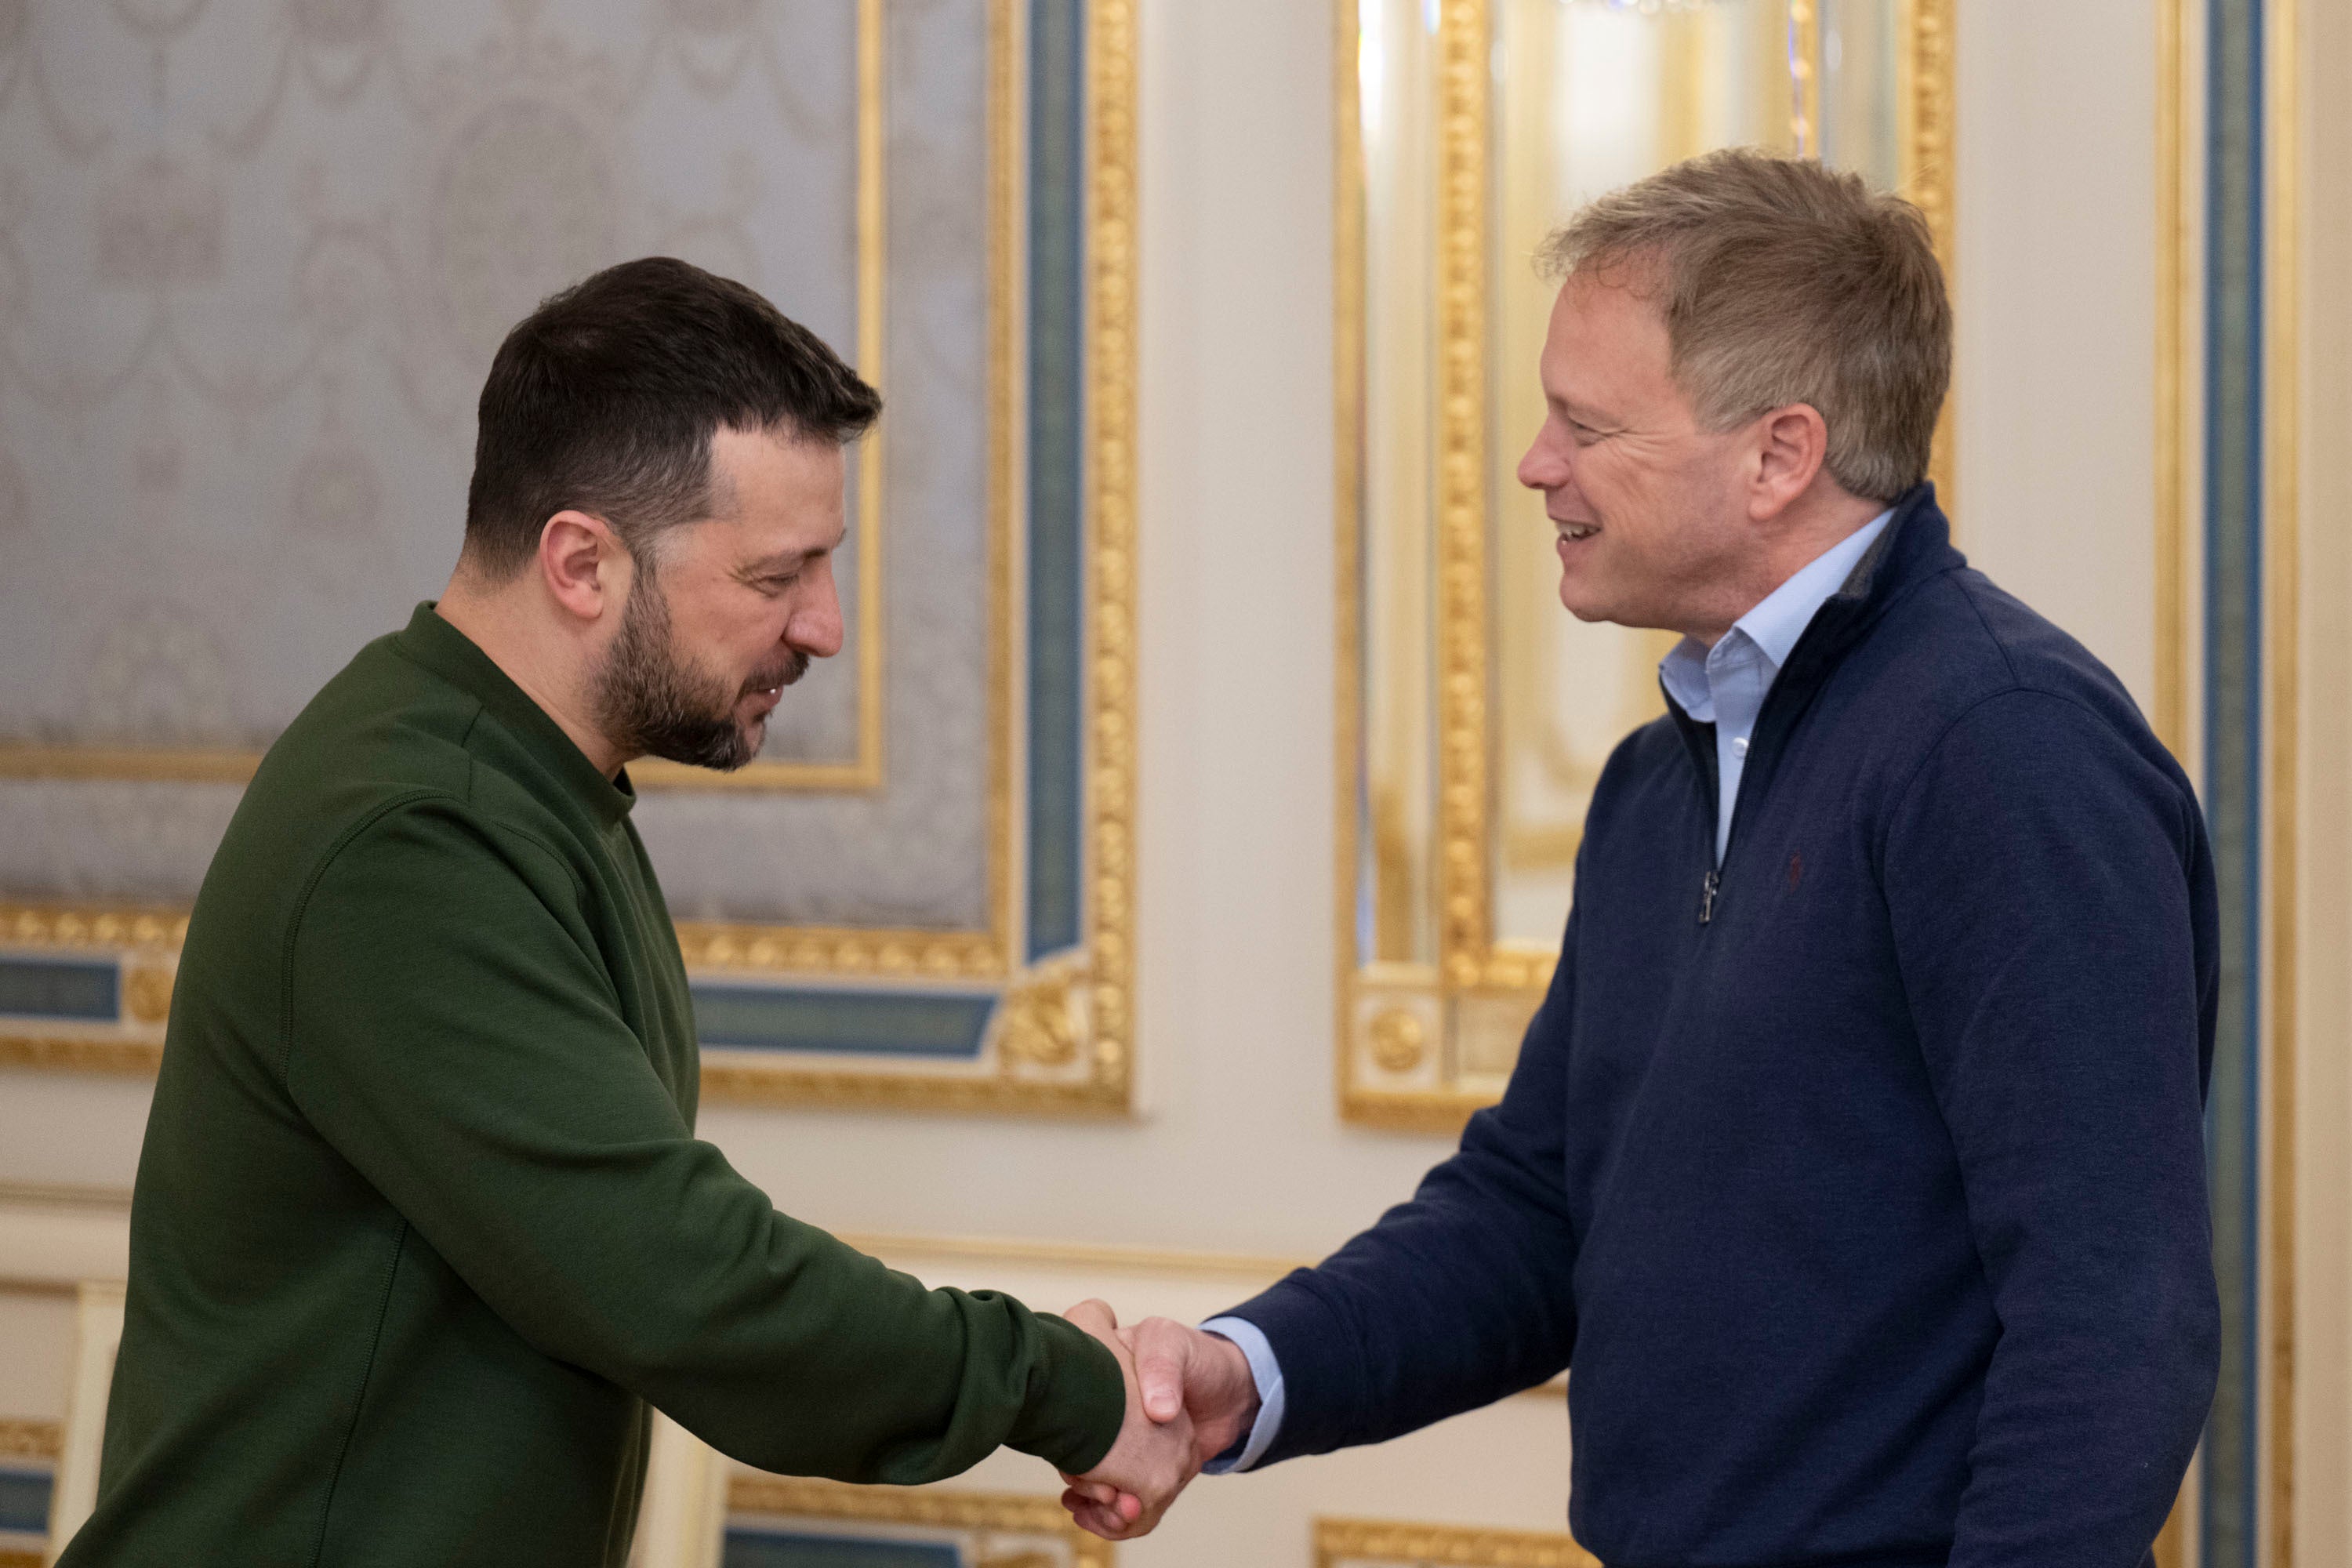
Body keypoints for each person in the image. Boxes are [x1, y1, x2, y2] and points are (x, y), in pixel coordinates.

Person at [1068, 150, 2220, 1567]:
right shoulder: (1658, 773)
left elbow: (2116, 1316)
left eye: (1585, 424)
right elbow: (1536, 1215)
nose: (1534, 464)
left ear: (1779, 455)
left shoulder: (2006, 748)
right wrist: (1252, 1373)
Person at [62, 258, 1192, 1568]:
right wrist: (1061, 1384)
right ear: (582, 564)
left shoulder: (528, 789)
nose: (824, 627)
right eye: (778, 578)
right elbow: (684, 1282)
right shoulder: (411, 837)